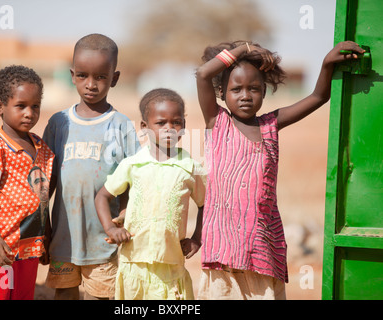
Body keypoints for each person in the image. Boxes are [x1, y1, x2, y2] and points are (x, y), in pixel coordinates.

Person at [195, 40, 364, 300]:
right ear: (221, 93)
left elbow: (319, 96)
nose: (245, 95)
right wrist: (244, 49)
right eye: (236, 89)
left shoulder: (271, 125)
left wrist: (327, 63)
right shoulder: (217, 122)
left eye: (254, 88)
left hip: (263, 247)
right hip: (222, 250)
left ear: (264, 91)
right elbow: (204, 73)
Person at [42, 33, 140, 300]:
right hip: (64, 237)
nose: (91, 84)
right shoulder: (59, 123)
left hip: (104, 239)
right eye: (83, 75)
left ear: (115, 79)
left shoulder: (120, 125)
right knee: (64, 292)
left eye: (101, 77)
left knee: (100, 295)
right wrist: (43, 226)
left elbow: (134, 179)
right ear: (72, 75)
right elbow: (46, 180)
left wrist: (124, 218)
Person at [95, 88, 207, 300]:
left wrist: (196, 238)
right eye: (161, 123)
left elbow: (205, 203)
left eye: (176, 122)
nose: (169, 129)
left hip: (171, 264)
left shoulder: (191, 167)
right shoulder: (132, 164)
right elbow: (102, 196)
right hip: (133, 262)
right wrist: (110, 228)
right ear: (144, 127)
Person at [0, 65, 55, 300]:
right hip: (2, 249)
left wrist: (46, 235)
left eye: (35, 106)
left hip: (29, 248)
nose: (29, 113)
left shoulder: (43, 148)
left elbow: (43, 197)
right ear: (0, 106)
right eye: (21, 106)